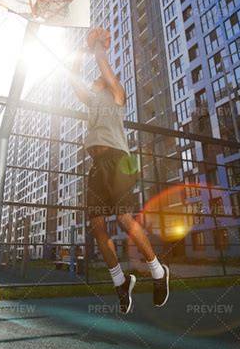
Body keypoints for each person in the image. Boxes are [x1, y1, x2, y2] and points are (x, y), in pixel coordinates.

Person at [69, 31, 169, 314]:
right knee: (97, 226)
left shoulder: (117, 94)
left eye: (100, 77)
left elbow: (102, 64)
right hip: (98, 167)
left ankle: (158, 272)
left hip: (120, 162)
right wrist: (80, 51)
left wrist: (97, 46)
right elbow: (73, 79)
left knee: (125, 220)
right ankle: (121, 283)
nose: (95, 78)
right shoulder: (92, 102)